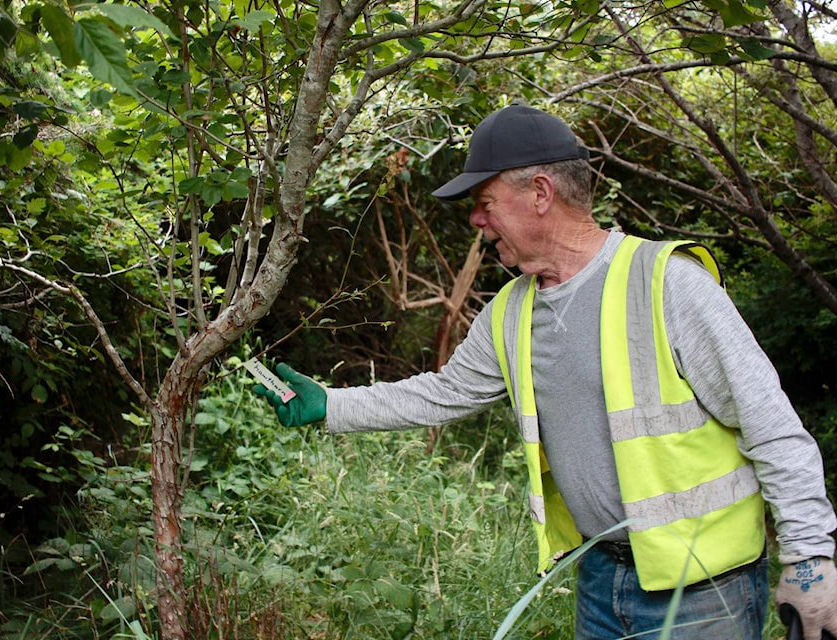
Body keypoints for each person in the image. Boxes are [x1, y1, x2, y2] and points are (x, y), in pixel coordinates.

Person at [253, 104, 837, 639]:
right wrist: (331, 405)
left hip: (707, 593)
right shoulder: (511, 310)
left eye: (484, 204)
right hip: (601, 584)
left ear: (539, 191)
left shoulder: (668, 285)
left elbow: (772, 426)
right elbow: (446, 393)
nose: (477, 222)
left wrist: (810, 561)